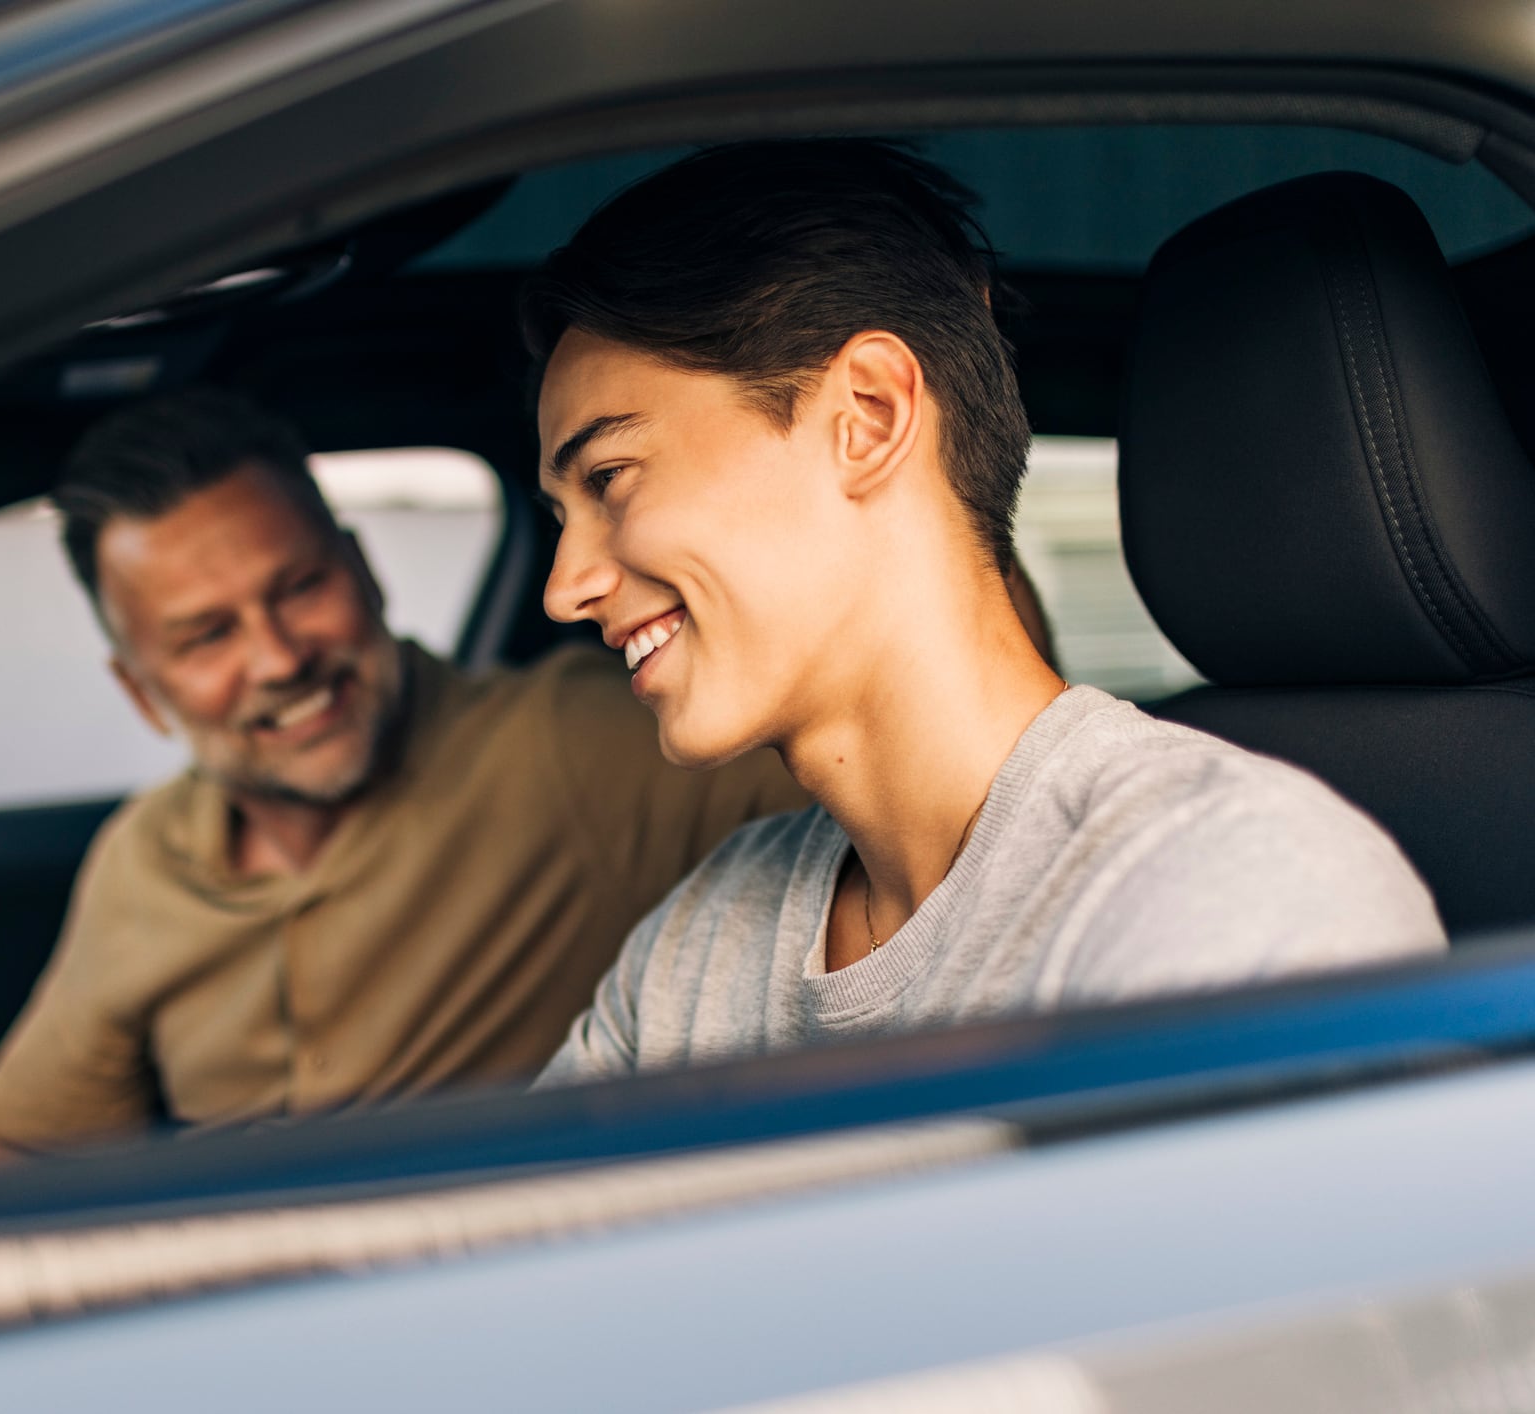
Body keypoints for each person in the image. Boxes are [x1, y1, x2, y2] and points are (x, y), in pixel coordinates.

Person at [523, 140, 1447, 1086]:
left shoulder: (1235, 892)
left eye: (610, 479)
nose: (565, 588)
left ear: (869, 417)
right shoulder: (701, 940)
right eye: (562, 519)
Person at [0, 387, 820, 1163]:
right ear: (142, 692)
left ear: (362, 569)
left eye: (300, 587)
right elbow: (8, 1149)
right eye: (207, 637)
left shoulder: (566, 743)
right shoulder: (143, 858)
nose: (278, 659)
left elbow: (895, 800)